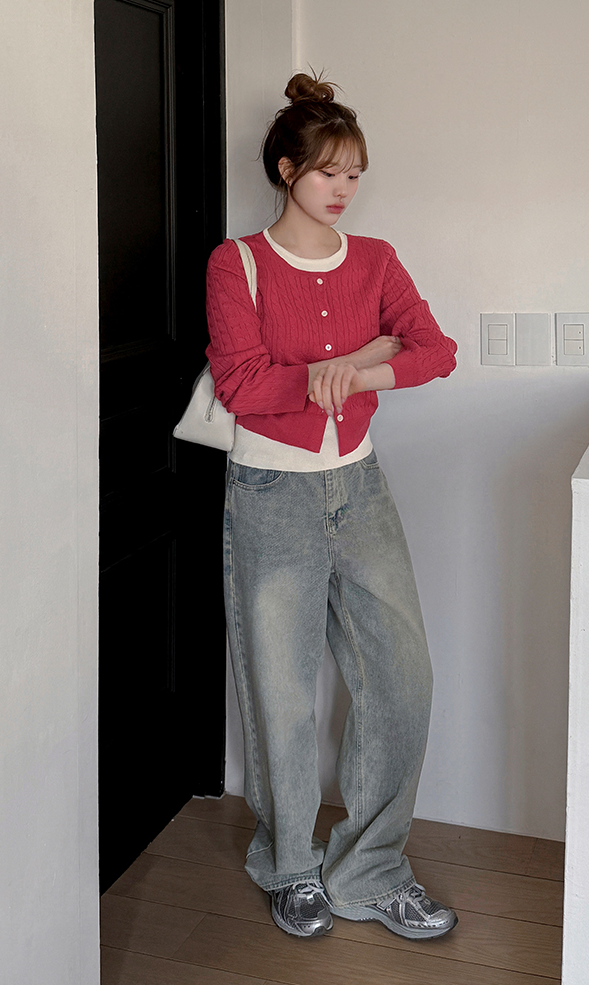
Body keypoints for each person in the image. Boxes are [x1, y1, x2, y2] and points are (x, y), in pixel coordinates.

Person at [204, 72, 458, 941]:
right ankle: (288, 865)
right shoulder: (236, 263)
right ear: (287, 170)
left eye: (355, 173)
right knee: (281, 693)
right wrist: (349, 363)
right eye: (328, 172)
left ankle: (370, 869)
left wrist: (359, 368)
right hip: (270, 492)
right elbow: (242, 386)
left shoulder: (376, 260)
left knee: (402, 679)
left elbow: (435, 351)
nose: (345, 188)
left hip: (361, 485)